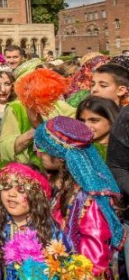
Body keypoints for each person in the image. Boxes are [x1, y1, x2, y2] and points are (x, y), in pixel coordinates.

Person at [35, 116, 127, 278]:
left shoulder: (87, 199)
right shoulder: (58, 187)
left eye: (41, 148)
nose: (37, 152)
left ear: (59, 155)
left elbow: (94, 260)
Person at [0, 163, 64, 280]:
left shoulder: (48, 227)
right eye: (6, 186)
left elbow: (61, 267)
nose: (12, 194)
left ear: (36, 197)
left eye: (21, 190)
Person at [76, 96, 119, 160]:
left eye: (94, 120)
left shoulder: (123, 151)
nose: (86, 125)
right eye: (82, 121)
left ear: (111, 119)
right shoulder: (78, 152)